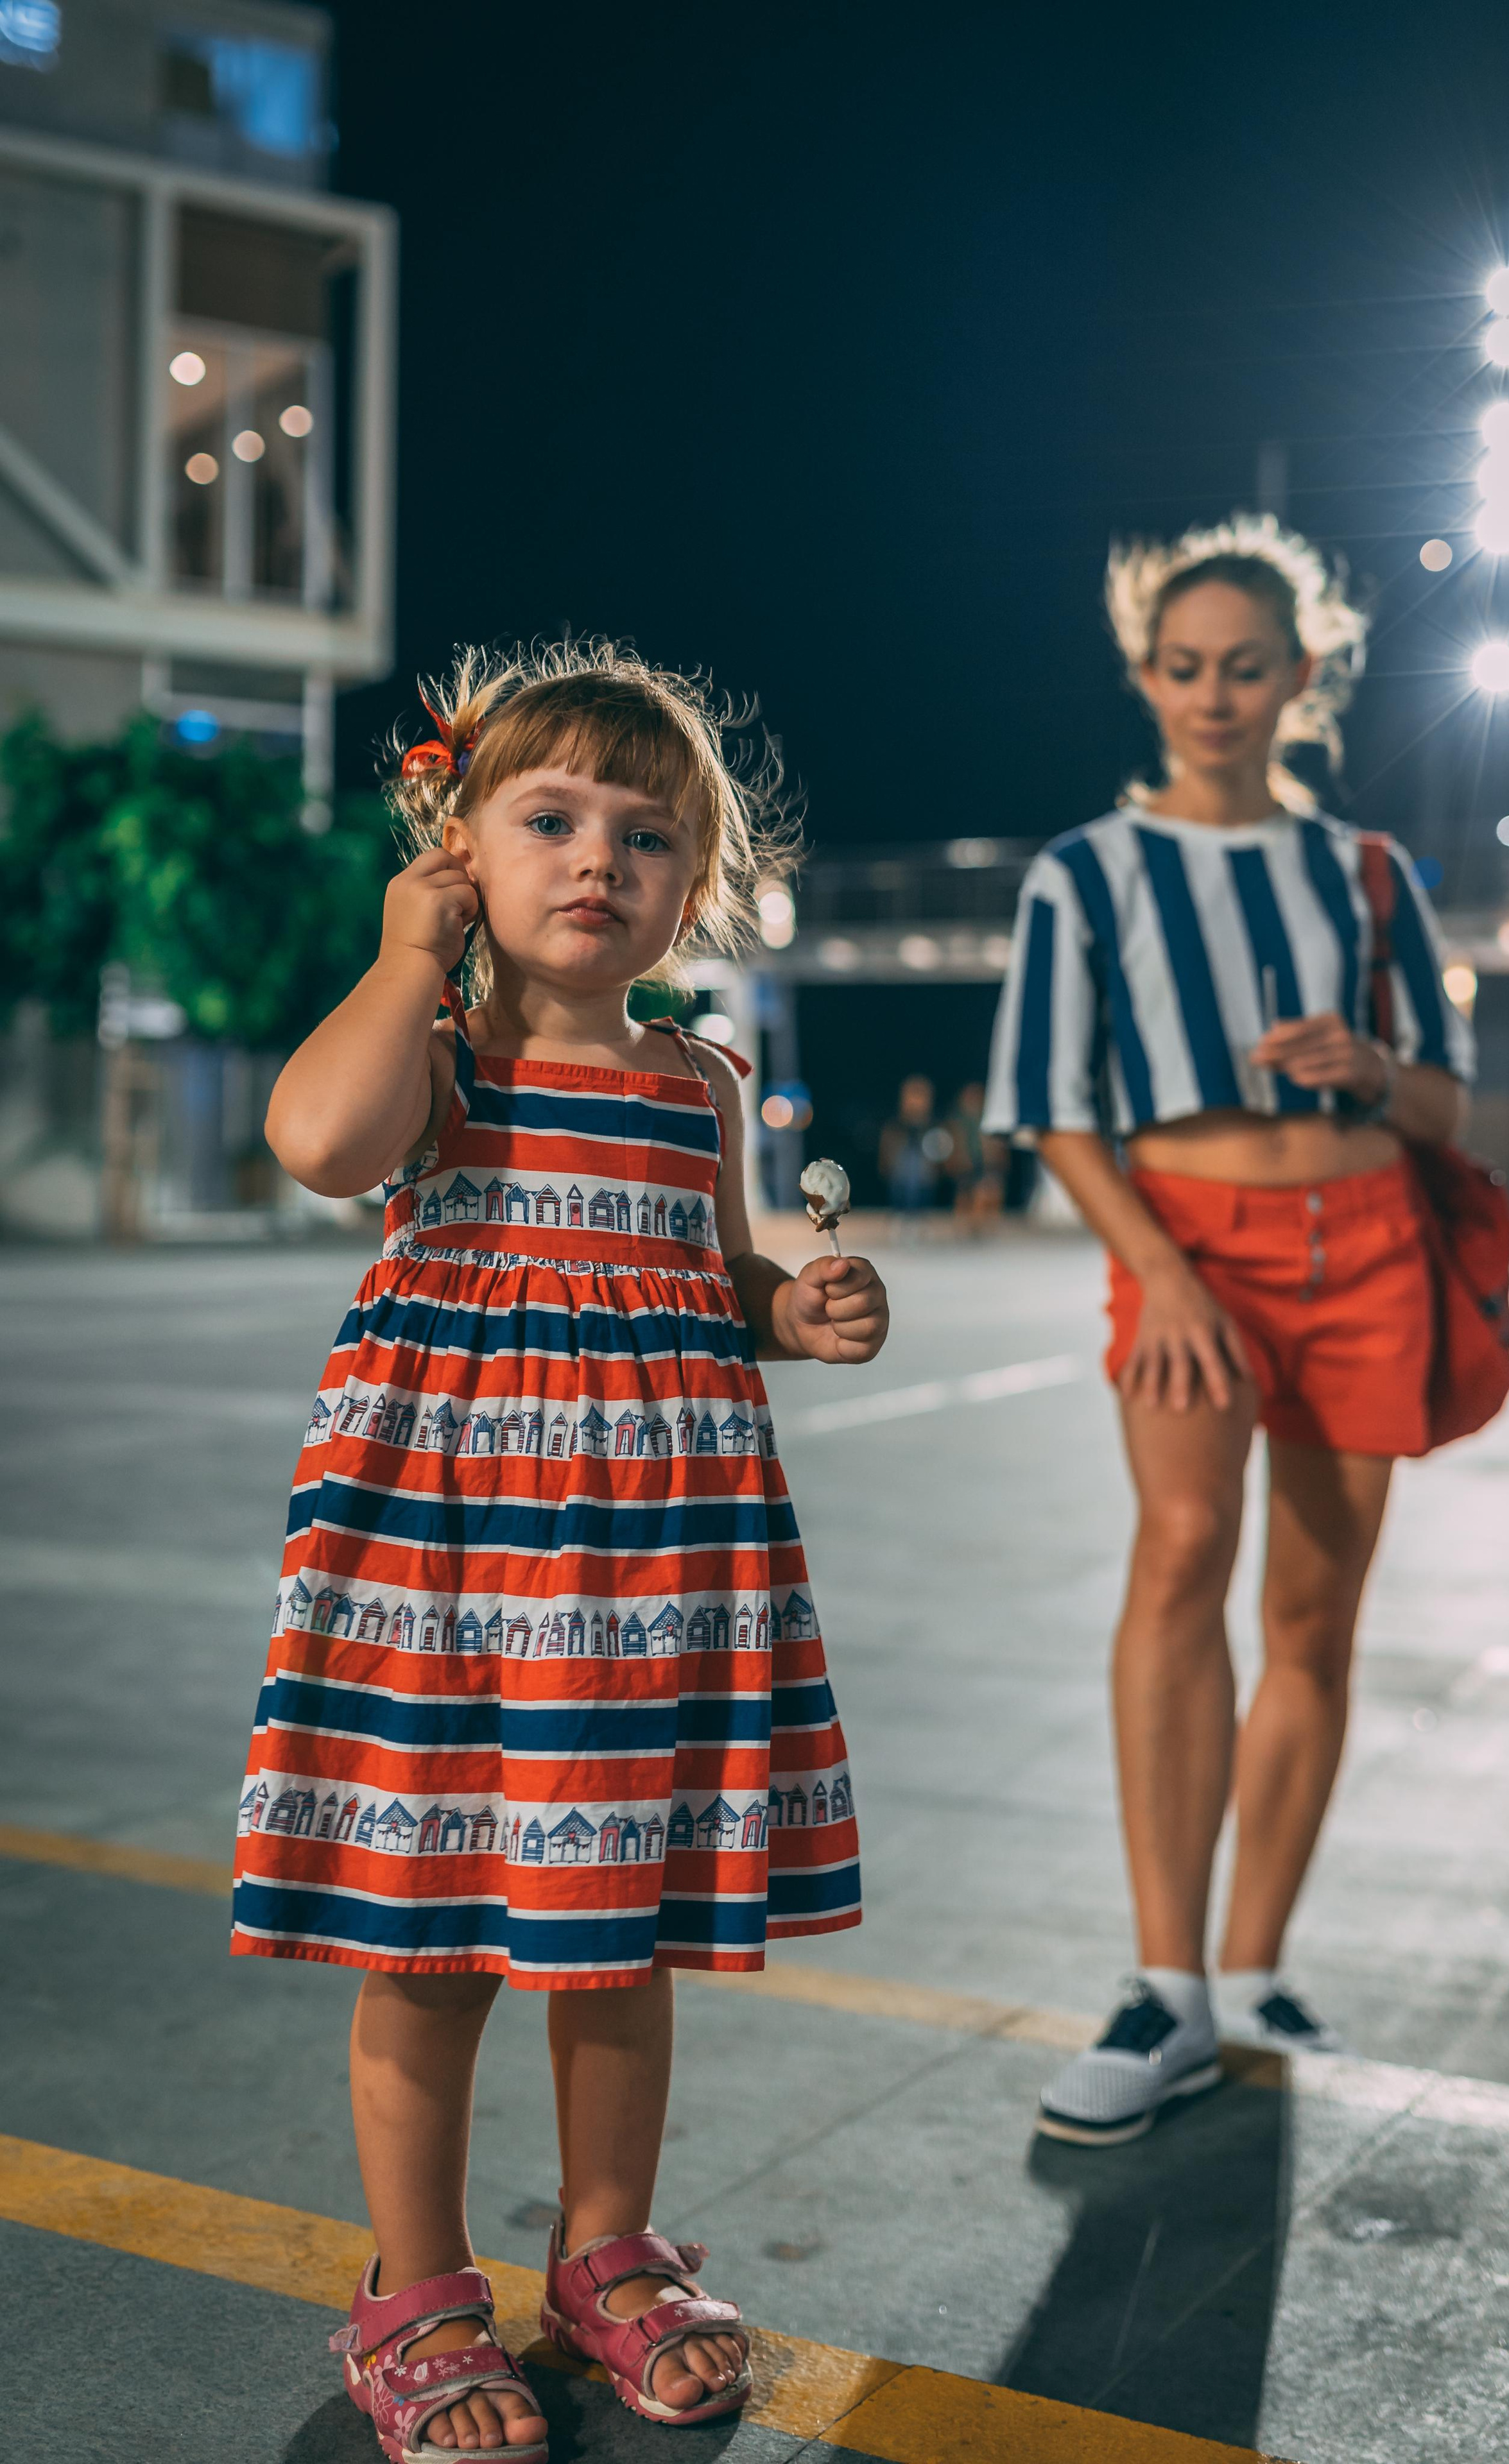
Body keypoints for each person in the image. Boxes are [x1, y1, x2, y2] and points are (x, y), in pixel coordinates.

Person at [234, 642, 889, 2456]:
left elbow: (715, 1279)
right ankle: (417, 2284)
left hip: (650, 1570)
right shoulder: (433, 1059)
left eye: (649, 834)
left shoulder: (697, 1084)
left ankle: (607, 2253)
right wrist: (401, 955)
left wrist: (797, 1309)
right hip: (446, 1564)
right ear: (460, 848)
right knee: (430, 1928)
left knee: (622, 1929)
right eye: (548, 820)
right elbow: (313, 1140)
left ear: (700, 884)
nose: (599, 859)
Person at [984, 517, 1473, 2146]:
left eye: (1243, 665)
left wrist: (1368, 1072)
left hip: (1367, 1240)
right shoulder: (1083, 873)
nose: (1211, 693)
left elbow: (1445, 1098)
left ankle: (1254, 1966)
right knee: (1180, 1549)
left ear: (1301, 676)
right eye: (1181, 665)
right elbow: (1053, 1112)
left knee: (1315, 1610)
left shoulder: (1372, 873)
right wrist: (1164, 1270)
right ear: (1144, 676)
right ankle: (1161, 1983)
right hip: (1184, 1240)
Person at [879, 1072, 941, 1228]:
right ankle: (900, 1219)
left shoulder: (932, 1125)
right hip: (901, 1173)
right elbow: (887, 1148)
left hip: (923, 1173)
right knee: (901, 1194)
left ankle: (919, 1220)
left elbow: (938, 1149)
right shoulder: (896, 1125)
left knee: (921, 1193)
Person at [944, 1081, 1007, 1230]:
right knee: (965, 1194)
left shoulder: (988, 1119)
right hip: (965, 1164)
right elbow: (953, 1144)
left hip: (985, 1163)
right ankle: (964, 1225)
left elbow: (997, 1144)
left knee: (988, 1191)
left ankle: (985, 1224)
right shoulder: (957, 1120)